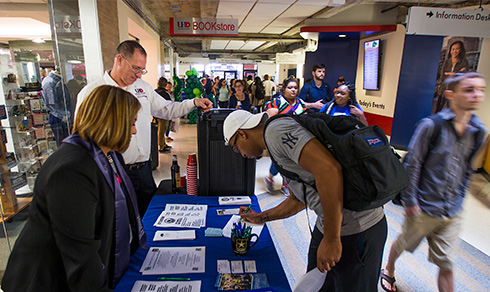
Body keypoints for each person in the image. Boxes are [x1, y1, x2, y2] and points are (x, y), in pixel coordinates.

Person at [2, 85, 147, 291]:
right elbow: (81, 256)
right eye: (131, 123)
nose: (133, 131)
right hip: (47, 282)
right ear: (112, 122)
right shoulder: (72, 170)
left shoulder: (108, 156)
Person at [223, 110, 387, 292]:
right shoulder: (274, 142)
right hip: (330, 225)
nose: (241, 154)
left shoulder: (275, 132)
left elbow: (329, 170)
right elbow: (298, 199)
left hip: (358, 228)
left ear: (242, 133)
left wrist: (332, 239)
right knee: (318, 285)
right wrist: (261, 217)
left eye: (236, 148)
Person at [76, 40, 212, 216]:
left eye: (142, 70)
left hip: (144, 170)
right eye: (135, 68)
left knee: (148, 217)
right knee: (120, 220)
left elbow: (166, 109)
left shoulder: (142, 88)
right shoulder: (92, 93)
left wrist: (194, 103)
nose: (139, 75)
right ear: (119, 59)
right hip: (113, 171)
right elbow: (83, 136)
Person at [380, 72, 487, 292]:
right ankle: (388, 269)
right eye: (469, 90)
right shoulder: (431, 126)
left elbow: (467, 169)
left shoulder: (479, 132)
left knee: (447, 265)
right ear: (450, 94)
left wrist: (460, 198)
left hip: (452, 211)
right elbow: (413, 165)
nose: (476, 95)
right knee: (403, 243)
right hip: (423, 207)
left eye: (481, 90)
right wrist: (410, 203)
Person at [264, 78, 306, 195]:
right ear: (284, 89)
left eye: (295, 88)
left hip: (295, 138)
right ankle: (270, 178)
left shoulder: (300, 103)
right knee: (278, 161)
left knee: (291, 162)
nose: (293, 90)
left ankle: (285, 184)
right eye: (290, 87)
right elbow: (267, 111)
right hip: (279, 137)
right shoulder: (277, 101)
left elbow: (304, 116)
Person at [435, 41, 469, 112]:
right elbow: (443, 76)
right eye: (453, 49)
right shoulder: (447, 61)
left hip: (455, 90)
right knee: (438, 109)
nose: (454, 51)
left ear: (461, 50)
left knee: (452, 110)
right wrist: (457, 73)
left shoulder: (464, 62)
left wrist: (451, 74)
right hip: (444, 88)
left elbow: (463, 77)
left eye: (457, 49)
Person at [41, 70, 72, 146]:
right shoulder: (50, 82)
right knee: (62, 143)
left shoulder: (56, 81)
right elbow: (52, 104)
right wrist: (65, 115)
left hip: (63, 115)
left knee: (68, 140)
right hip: (58, 117)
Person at [154, 77, 172, 153]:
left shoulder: (154, 92)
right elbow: (169, 104)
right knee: (162, 131)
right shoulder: (165, 94)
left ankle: (163, 144)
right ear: (165, 84)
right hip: (163, 115)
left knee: (159, 131)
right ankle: (162, 146)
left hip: (156, 113)